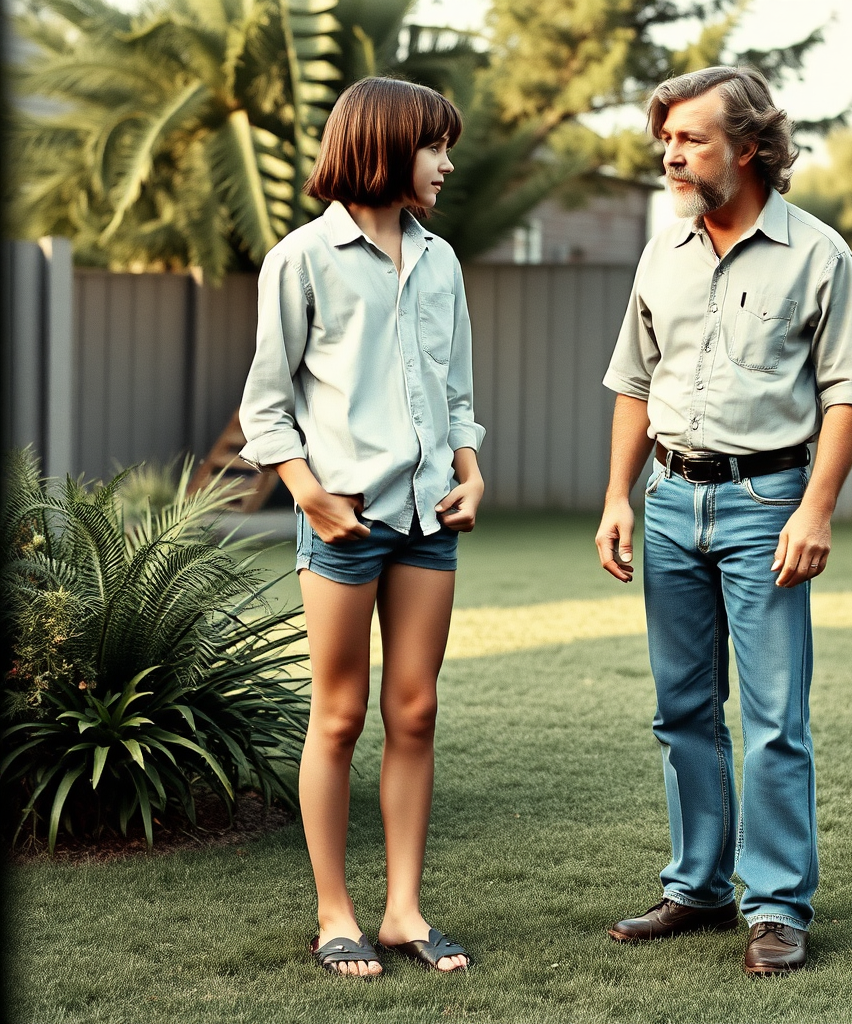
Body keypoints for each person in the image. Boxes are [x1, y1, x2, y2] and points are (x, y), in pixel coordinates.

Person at [595, 66, 852, 976]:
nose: (671, 157)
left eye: (691, 141)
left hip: (769, 508)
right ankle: (699, 888)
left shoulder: (818, 255)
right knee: (681, 709)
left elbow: (848, 396)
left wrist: (816, 511)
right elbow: (636, 382)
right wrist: (617, 498)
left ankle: (779, 908)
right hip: (671, 501)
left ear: (748, 147)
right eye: (666, 141)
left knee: (772, 718)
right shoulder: (659, 252)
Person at [238, 77, 485, 978]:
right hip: (342, 523)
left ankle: (404, 913)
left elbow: (455, 391)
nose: (447, 163)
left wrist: (471, 469)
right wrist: (308, 495)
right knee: (338, 716)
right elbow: (267, 407)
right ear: (385, 147)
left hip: (430, 521)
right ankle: (334, 913)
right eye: (435, 147)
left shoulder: (442, 261)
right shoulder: (301, 260)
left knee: (414, 710)